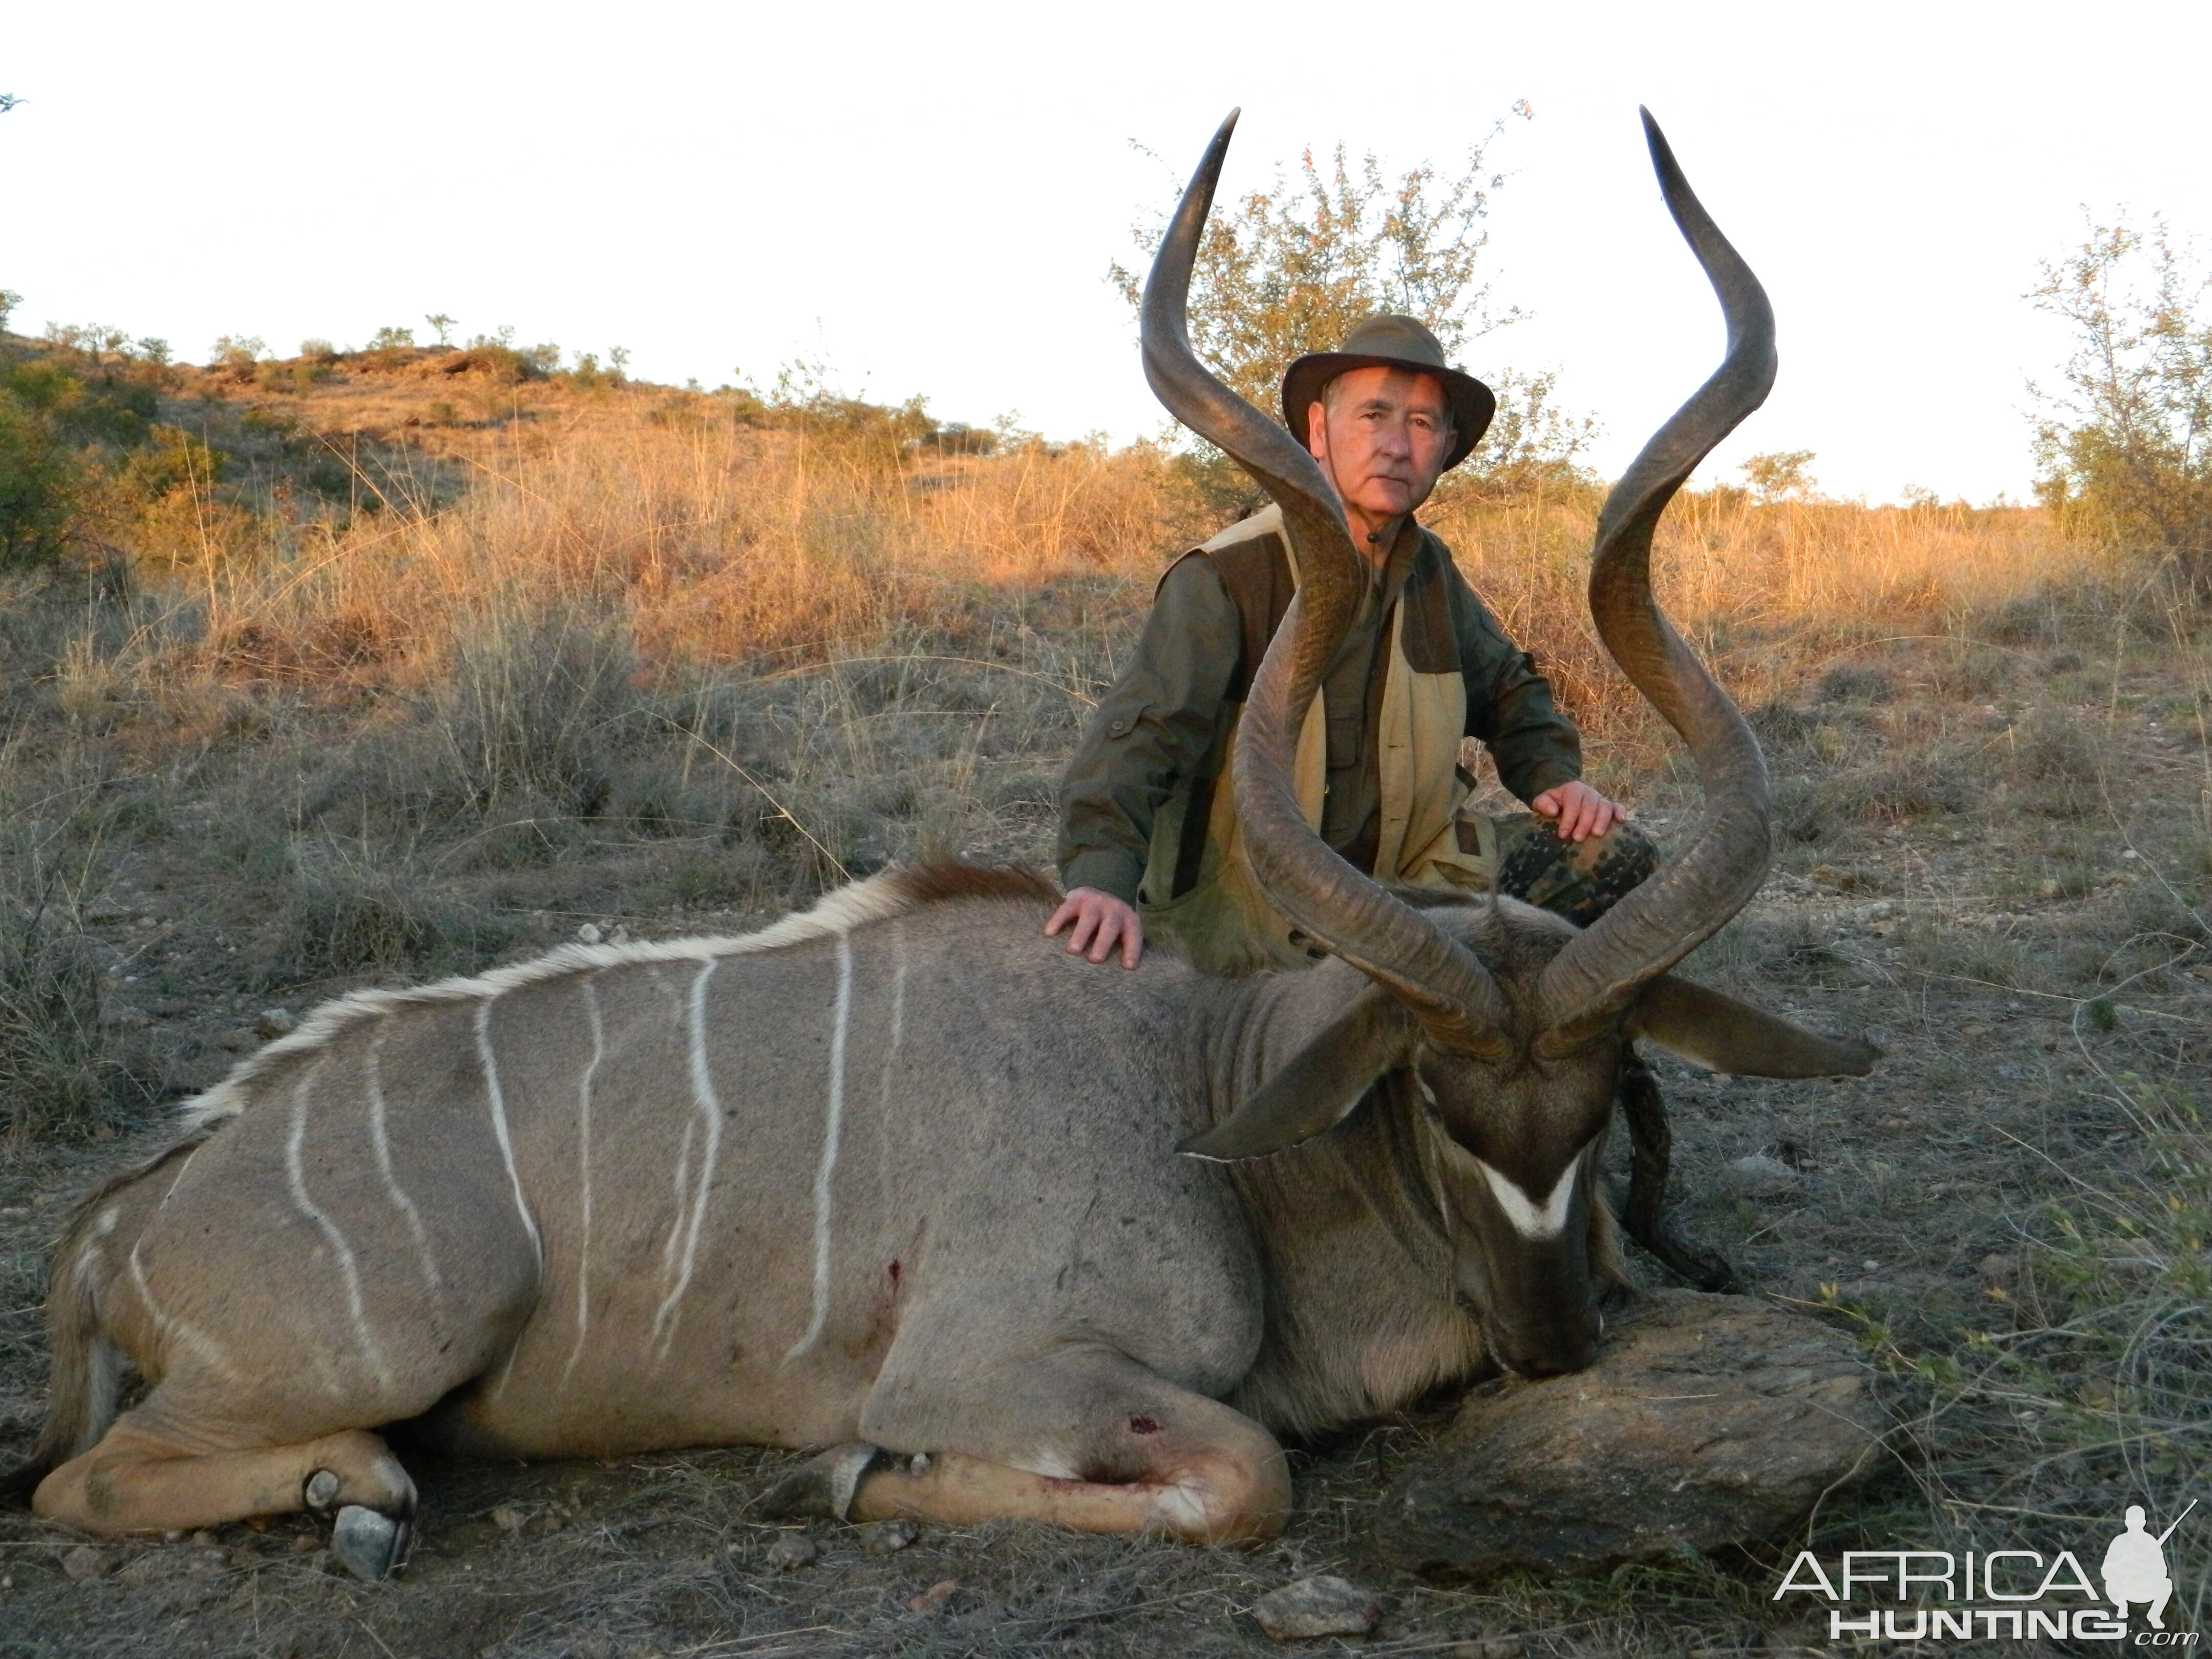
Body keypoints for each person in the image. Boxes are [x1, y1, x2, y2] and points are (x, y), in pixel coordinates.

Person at [1049, 313, 1653, 973]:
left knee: (1611, 854)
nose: (1396, 445)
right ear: (1317, 431)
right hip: (1261, 926)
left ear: (1446, 445)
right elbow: (1141, 739)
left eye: (1422, 423)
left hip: (1407, 900)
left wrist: (1554, 779)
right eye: (1374, 415)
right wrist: (1101, 882)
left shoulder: (1430, 572)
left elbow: (1512, 692)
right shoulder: (1229, 575)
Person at [2102, 1505, 2176, 1630]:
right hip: (2123, 1588)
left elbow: (2163, 1570)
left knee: (2167, 1584)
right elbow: (2106, 1570)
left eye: (2138, 1521)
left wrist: (2146, 1568)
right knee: (2110, 1583)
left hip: (2145, 1588)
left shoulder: (2151, 1542)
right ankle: (2122, 1607)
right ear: (2126, 1522)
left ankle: (2154, 1615)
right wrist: (2125, 1569)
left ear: (2144, 1522)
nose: (2135, 1525)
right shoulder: (2119, 1541)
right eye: (2132, 1521)